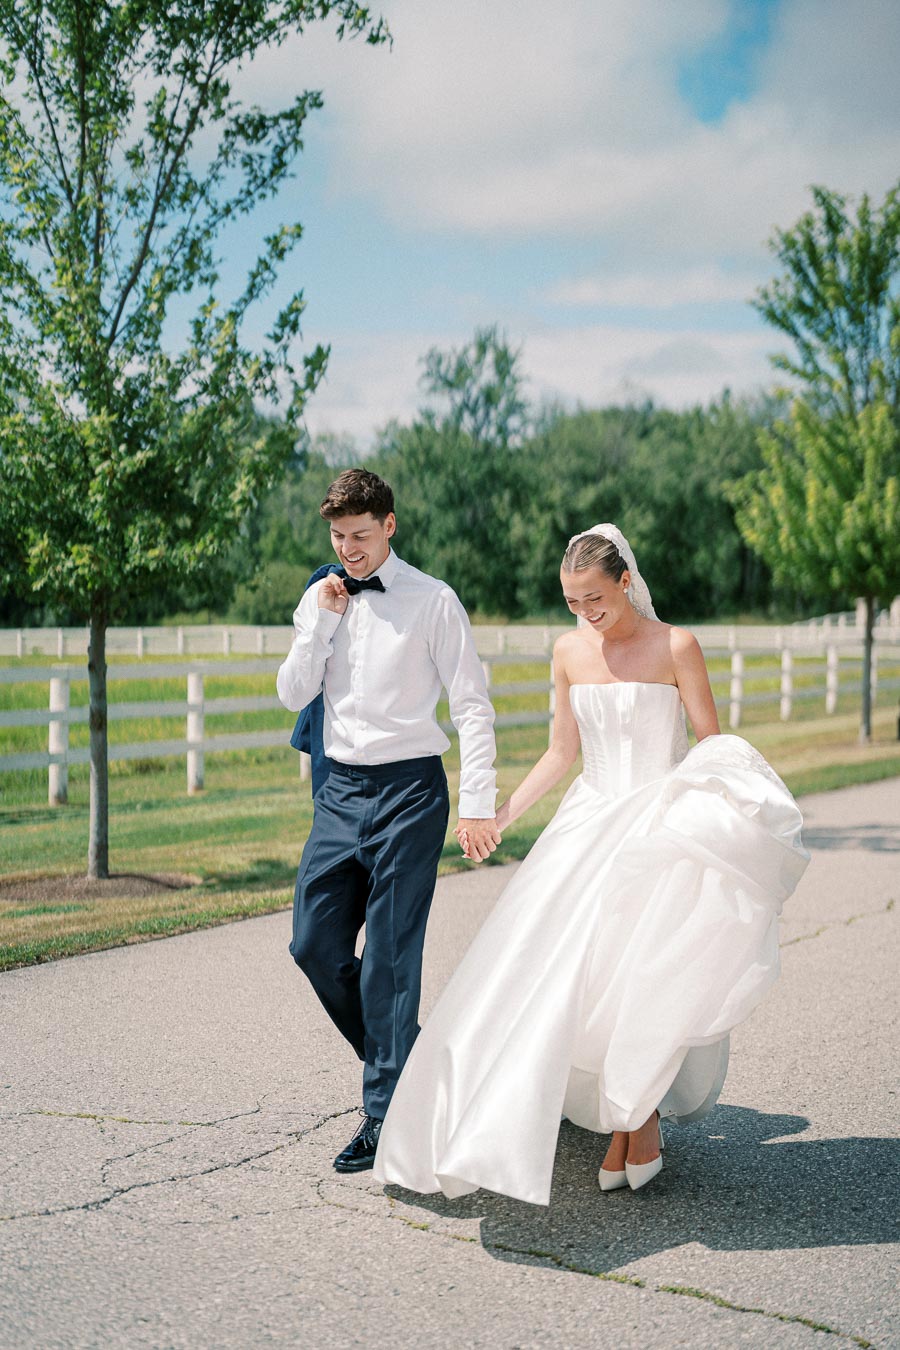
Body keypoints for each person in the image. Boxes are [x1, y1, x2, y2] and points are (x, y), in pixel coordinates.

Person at [374, 524, 809, 1204]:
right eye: (573, 602)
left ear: (626, 581)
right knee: (564, 978)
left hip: (659, 827)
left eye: (595, 599)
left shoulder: (677, 647)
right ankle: (625, 1118)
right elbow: (559, 752)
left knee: (645, 975)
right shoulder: (570, 651)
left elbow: (711, 746)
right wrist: (498, 816)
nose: (585, 613)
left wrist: (714, 824)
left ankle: (637, 1117)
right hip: (587, 826)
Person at [276, 468, 501, 1173]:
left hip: (410, 794)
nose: (350, 550)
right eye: (339, 538)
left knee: (390, 963)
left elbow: (471, 706)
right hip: (338, 794)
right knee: (312, 943)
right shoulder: (323, 597)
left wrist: (476, 804)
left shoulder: (434, 602)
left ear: (390, 526)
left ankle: (384, 1114)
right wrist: (321, 623)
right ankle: (410, 1062)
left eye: (362, 536)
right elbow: (291, 694)